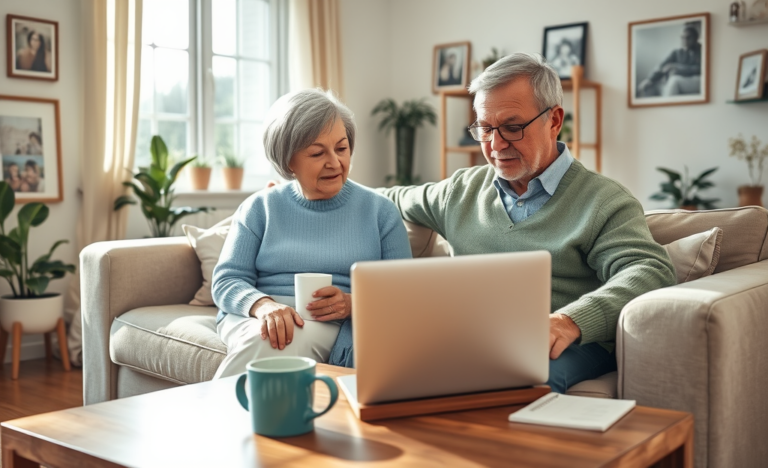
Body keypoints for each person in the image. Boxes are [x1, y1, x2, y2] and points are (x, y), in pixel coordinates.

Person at [381, 52, 676, 394]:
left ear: (554, 121)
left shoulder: (603, 201)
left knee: (510, 379)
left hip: (565, 344)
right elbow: (387, 199)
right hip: (476, 338)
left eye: (512, 127)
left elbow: (650, 270)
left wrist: (569, 321)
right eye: (485, 128)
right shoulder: (460, 191)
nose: (496, 145)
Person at [211, 89, 412, 379]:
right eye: (318, 153)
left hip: (332, 321)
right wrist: (264, 306)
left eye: (341, 149)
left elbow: (404, 292)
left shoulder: (380, 211)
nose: (335, 162)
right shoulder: (259, 207)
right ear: (288, 161)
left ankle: (219, 407)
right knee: (267, 337)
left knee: (276, 341)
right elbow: (227, 281)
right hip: (256, 314)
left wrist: (353, 303)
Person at [637, 25, 702, 97]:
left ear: (696, 38)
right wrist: (649, 79)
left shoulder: (702, 50)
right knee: (651, 85)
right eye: (682, 38)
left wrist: (677, 67)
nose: (685, 40)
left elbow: (700, 69)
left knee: (674, 80)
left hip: (697, 80)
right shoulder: (677, 52)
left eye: (688, 37)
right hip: (680, 79)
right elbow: (662, 66)